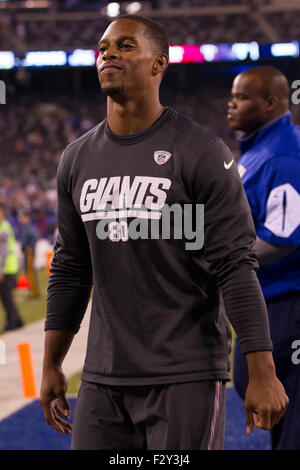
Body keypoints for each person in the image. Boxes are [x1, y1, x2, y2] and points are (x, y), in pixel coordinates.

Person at [40, 16, 288, 450]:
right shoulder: (75, 159)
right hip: (103, 376)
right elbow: (70, 269)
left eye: (125, 45)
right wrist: (51, 363)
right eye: (103, 47)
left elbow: (235, 265)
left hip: (185, 372)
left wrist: (263, 370)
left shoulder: (200, 152)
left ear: (160, 63)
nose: (108, 53)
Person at [227, 65, 300, 450]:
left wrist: (220, 260)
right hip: (268, 301)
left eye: (241, 97)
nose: (231, 104)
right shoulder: (259, 151)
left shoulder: (283, 155)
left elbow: (283, 240)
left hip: (288, 303)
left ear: (271, 102)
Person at [0, 205, 23, 332]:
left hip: (7, 267)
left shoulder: (3, 228)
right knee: (7, 296)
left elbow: (3, 251)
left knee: (6, 297)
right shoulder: (5, 226)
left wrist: (1, 270)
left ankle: (11, 323)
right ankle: (18, 321)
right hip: (9, 266)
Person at [18, 211, 40, 298]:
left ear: (27, 218)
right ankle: (33, 291)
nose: (21, 219)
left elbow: (35, 236)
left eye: (22, 217)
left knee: (30, 271)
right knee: (29, 271)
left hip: (29, 252)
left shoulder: (29, 227)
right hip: (27, 251)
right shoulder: (25, 227)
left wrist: (30, 246)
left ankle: (34, 292)